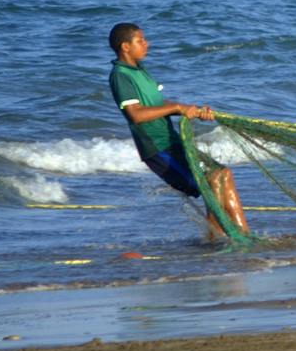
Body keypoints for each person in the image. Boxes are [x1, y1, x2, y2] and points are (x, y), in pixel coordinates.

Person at [107, 22, 250, 235]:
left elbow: (157, 106)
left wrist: (191, 110)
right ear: (125, 46)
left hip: (172, 141)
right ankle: (216, 240)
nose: (147, 44)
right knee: (210, 182)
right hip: (157, 148)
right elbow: (135, 114)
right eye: (140, 41)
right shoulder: (121, 76)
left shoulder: (140, 71)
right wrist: (176, 107)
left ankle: (243, 234)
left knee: (222, 173)